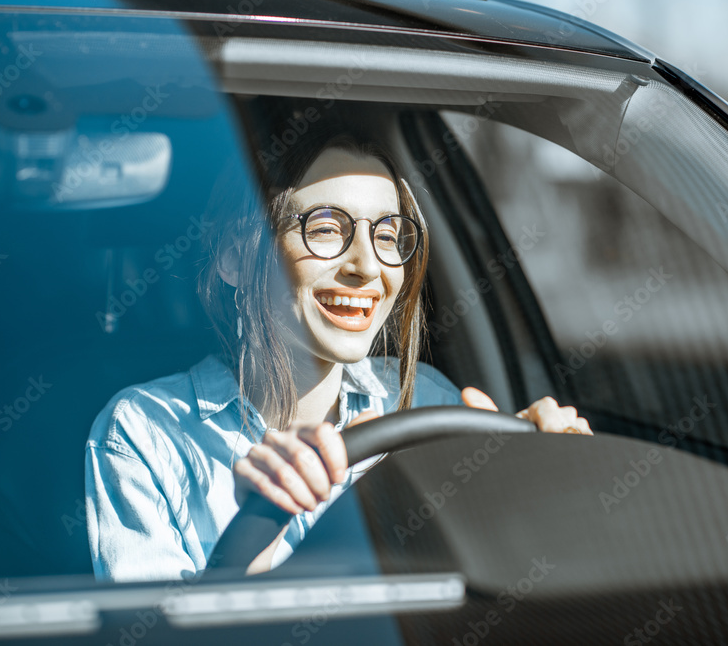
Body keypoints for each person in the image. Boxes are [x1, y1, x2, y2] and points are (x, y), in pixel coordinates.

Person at [85, 130, 591, 583]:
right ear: (236, 257)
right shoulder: (145, 433)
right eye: (326, 228)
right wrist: (248, 561)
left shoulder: (428, 402)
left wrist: (553, 488)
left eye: (388, 235)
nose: (368, 266)